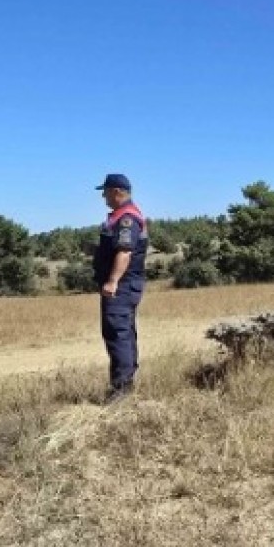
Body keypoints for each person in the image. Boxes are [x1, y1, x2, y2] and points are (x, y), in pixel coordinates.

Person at [92, 173, 148, 404]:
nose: (103, 196)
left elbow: (124, 252)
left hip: (122, 287)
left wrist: (112, 280)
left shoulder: (127, 218)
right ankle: (126, 385)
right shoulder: (122, 216)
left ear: (117, 191)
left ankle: (121, 391)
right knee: (122, 332)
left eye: (105, 191)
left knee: (118, 333)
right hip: (125, 286)